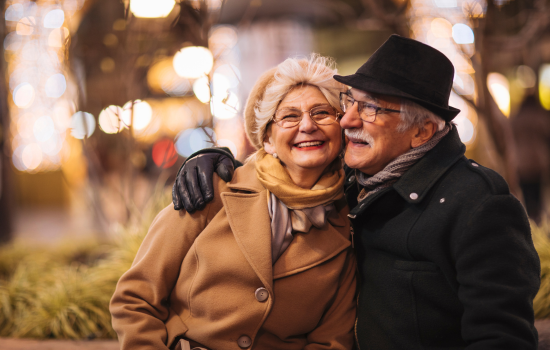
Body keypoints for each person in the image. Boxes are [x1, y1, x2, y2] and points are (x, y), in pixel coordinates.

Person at [173, 35, 541, 349]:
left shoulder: (477, 205)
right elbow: (285, 163)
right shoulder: (350, 180)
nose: (347, 119)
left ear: (422, 133)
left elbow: (500, 337)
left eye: (371, 108)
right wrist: (214, 158)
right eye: (350, 101)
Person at [110, 55, 357, 350]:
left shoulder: (348, 225)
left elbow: (331, 341)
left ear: (340, 130)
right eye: (290, 116)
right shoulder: (211, 188)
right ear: (266, 139)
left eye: (321, 113)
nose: (307, 125)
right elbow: (135, 298)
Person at [512, 94, 550, 224]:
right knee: (538, 194)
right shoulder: (539, 117)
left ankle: (530, 222)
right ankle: (538, 220)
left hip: (521, 161)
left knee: (526, 195)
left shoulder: (517, 118)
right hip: (538, 161)